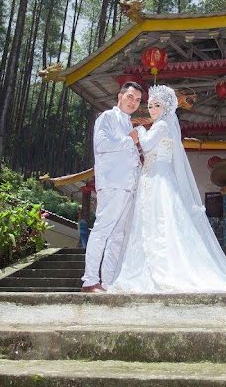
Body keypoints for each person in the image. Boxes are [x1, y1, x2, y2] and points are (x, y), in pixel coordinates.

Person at [107, 84, 226, 293]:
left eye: (157, 105)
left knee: (158, 222)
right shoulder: (161, 126)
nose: (152, 109)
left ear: (166, 108)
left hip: (158, 180)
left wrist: (139, 130)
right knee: (153, 222)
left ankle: (161, 268)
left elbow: (147, 146)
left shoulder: (161, 126)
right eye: (150, 106)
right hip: (152, 178)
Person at [81, 81, 142, 292]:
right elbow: (102, 145)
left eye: (137, 100)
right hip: (112, 184)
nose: (133, 102)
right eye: (130, 97)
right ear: (120, 96)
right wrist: (129, 140)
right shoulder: (107, 117)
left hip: (128, 186)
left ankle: (107, 282)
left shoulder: (128, 124)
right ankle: (89, 281)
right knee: (102, 231)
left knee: (118, 236)